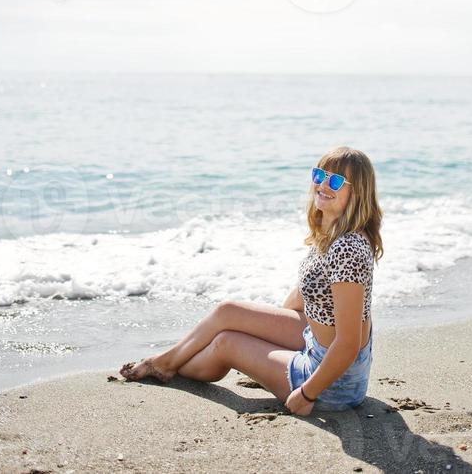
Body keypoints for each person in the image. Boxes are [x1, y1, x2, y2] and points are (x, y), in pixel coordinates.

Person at [118, 146, 383, 415]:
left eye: (336, 180)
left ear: (357, 192)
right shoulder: (332, 232)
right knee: (227, 311)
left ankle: (166, 366)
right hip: (315, 342)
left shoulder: (347, 248)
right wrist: (267, 331)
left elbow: (349, 342)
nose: (323, 184)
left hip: (334, 386)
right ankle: (167, 361)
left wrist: (305, 394)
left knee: (226, 342)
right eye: (319, 175)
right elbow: (305, 295)